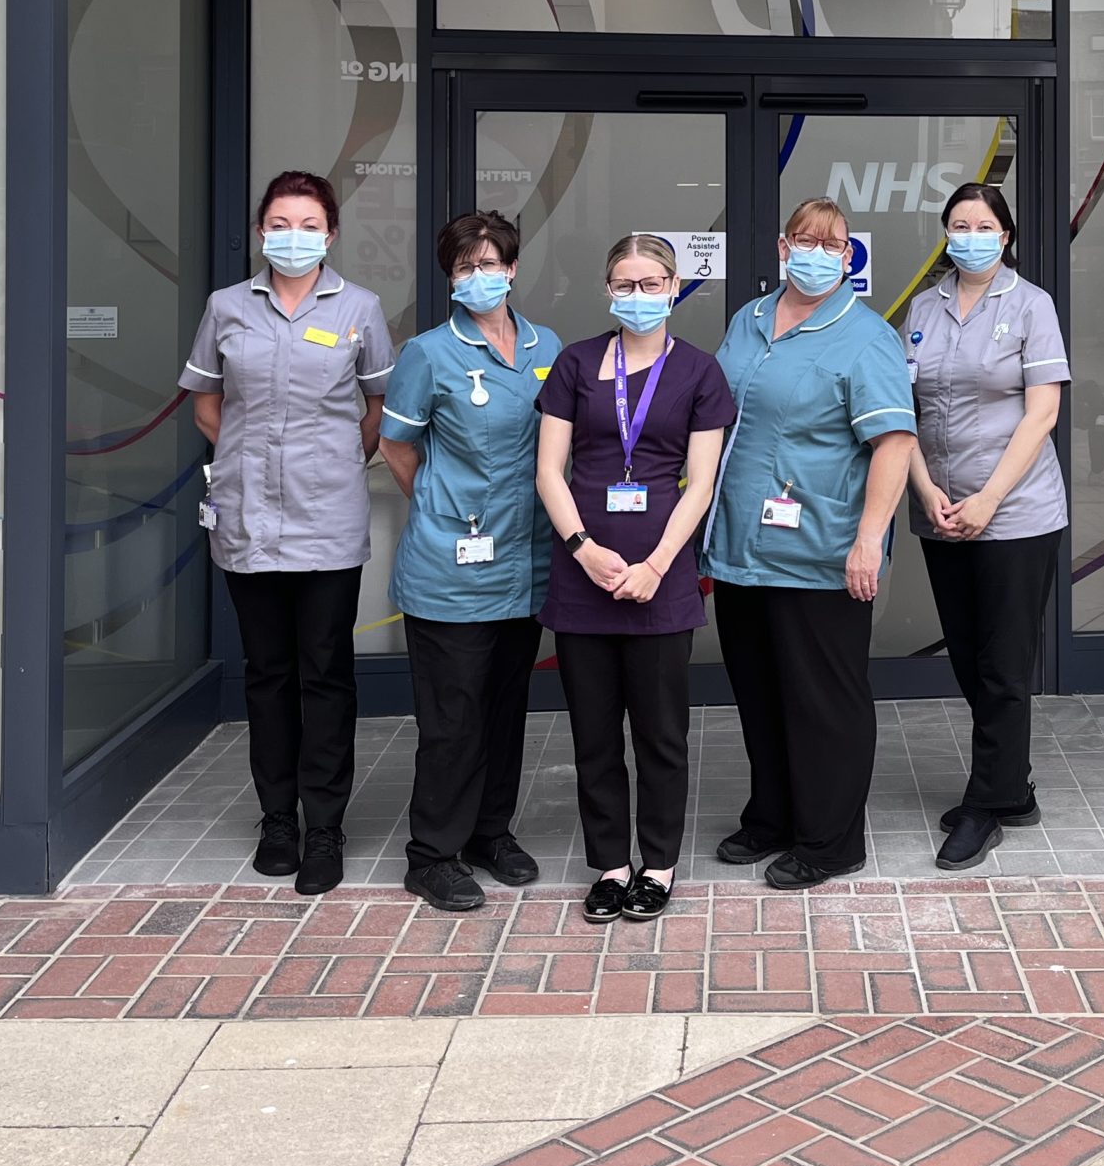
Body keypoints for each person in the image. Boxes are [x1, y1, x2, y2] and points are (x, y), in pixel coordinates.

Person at [180, 169, 394, 896]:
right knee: (266, 675)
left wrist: (335, 460)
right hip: (247, 520)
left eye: (309, 225)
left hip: (327, 518)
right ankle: (278, 820)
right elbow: (208, 403)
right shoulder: (227, 307)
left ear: (330, 234)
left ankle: (325, 826)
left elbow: (379, 407)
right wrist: (243, 456)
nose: (293, 236)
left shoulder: (361, 307)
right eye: (281, 223)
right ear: (261, 230)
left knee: (325, 673)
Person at [705, 198, 917, 890]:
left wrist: (868, 541)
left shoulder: (866, 336)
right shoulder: (750, 319)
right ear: (781, 245)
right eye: (805, 239)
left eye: (833, 243)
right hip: (742, 547)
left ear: (849, 254)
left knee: (823, 701)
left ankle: (830, 840)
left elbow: (893, 444)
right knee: (761, 692)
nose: (817, 252)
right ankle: (772, 818)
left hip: (821, 553)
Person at [536, 234, 735, 923]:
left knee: (659, 735)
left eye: (652, 283)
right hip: (581, 579)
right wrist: (584, 547)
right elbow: (548, 472)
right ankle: (610, 866)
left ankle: (657, 865)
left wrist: (656, 564)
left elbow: (702, 485)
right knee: (593, 735)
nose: (639, 296)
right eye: (627, 283)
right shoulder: (576, 363)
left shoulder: (701, 373)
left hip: (662, 583)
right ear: (608, 288)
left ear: (674, 287)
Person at [377, 209, 563, 912]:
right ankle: (432, 853)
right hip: (450, 569)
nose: (478, 276)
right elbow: (398, 446)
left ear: (513, 270)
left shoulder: (548, 345)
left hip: (526, 562)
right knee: (452, 720)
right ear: (450, 278)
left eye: (490, 264)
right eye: (464, 267)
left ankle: (491, 832)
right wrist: (437, 505)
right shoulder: (429, 353)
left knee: (505, 710)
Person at [904, 182, 1071, 869]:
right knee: (972, 657)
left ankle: (987, 805)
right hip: (940, 509)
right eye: (958, 224)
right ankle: (1013, 789)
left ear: (1005, 235)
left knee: (1003, 665)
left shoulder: (1032, 305)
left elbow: (1042, 414)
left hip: (1017, 513)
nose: (969, 234)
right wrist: (927, 489)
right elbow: (900, 409)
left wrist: (987, 500)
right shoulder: (922, 306)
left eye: (983, 225)